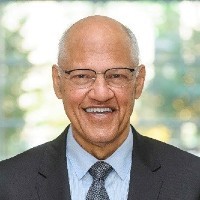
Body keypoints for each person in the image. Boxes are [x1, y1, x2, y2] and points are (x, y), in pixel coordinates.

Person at [0, 15, 200, 200]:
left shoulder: (192, 181)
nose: (101, 94)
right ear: (57, 82)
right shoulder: (7, 183)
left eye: (116, 75)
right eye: (82, 76)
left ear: (138, 83)